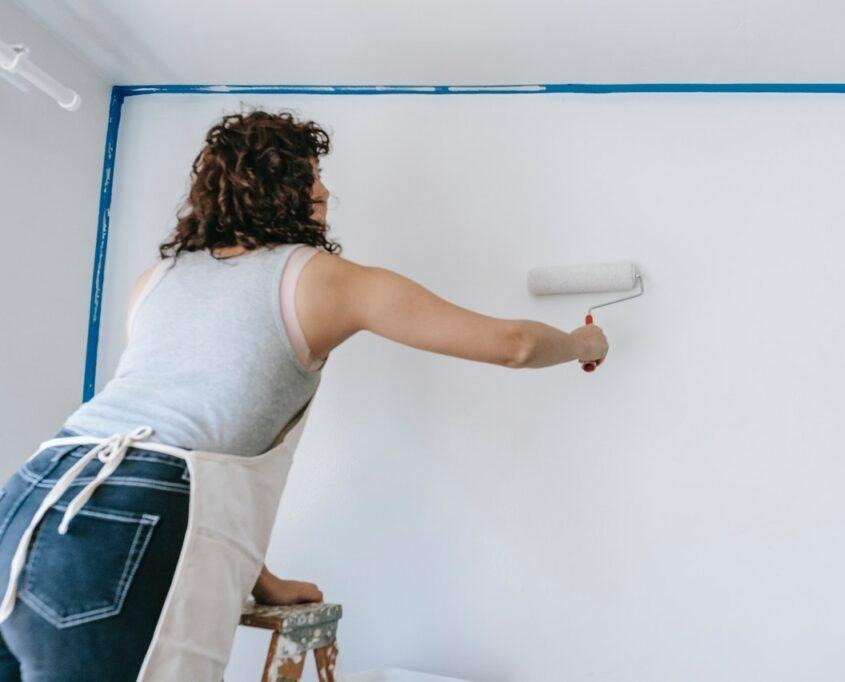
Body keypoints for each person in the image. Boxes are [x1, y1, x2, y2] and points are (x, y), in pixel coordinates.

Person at [0, 108, 608, 680]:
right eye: (312, 179)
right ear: (285, 191)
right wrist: (584, 344)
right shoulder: (321, 279)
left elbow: (192, 442)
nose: (323, 195)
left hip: (32, 494)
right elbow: (514, 345)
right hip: (129, 517)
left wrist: (261, 582)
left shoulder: (156, 281)